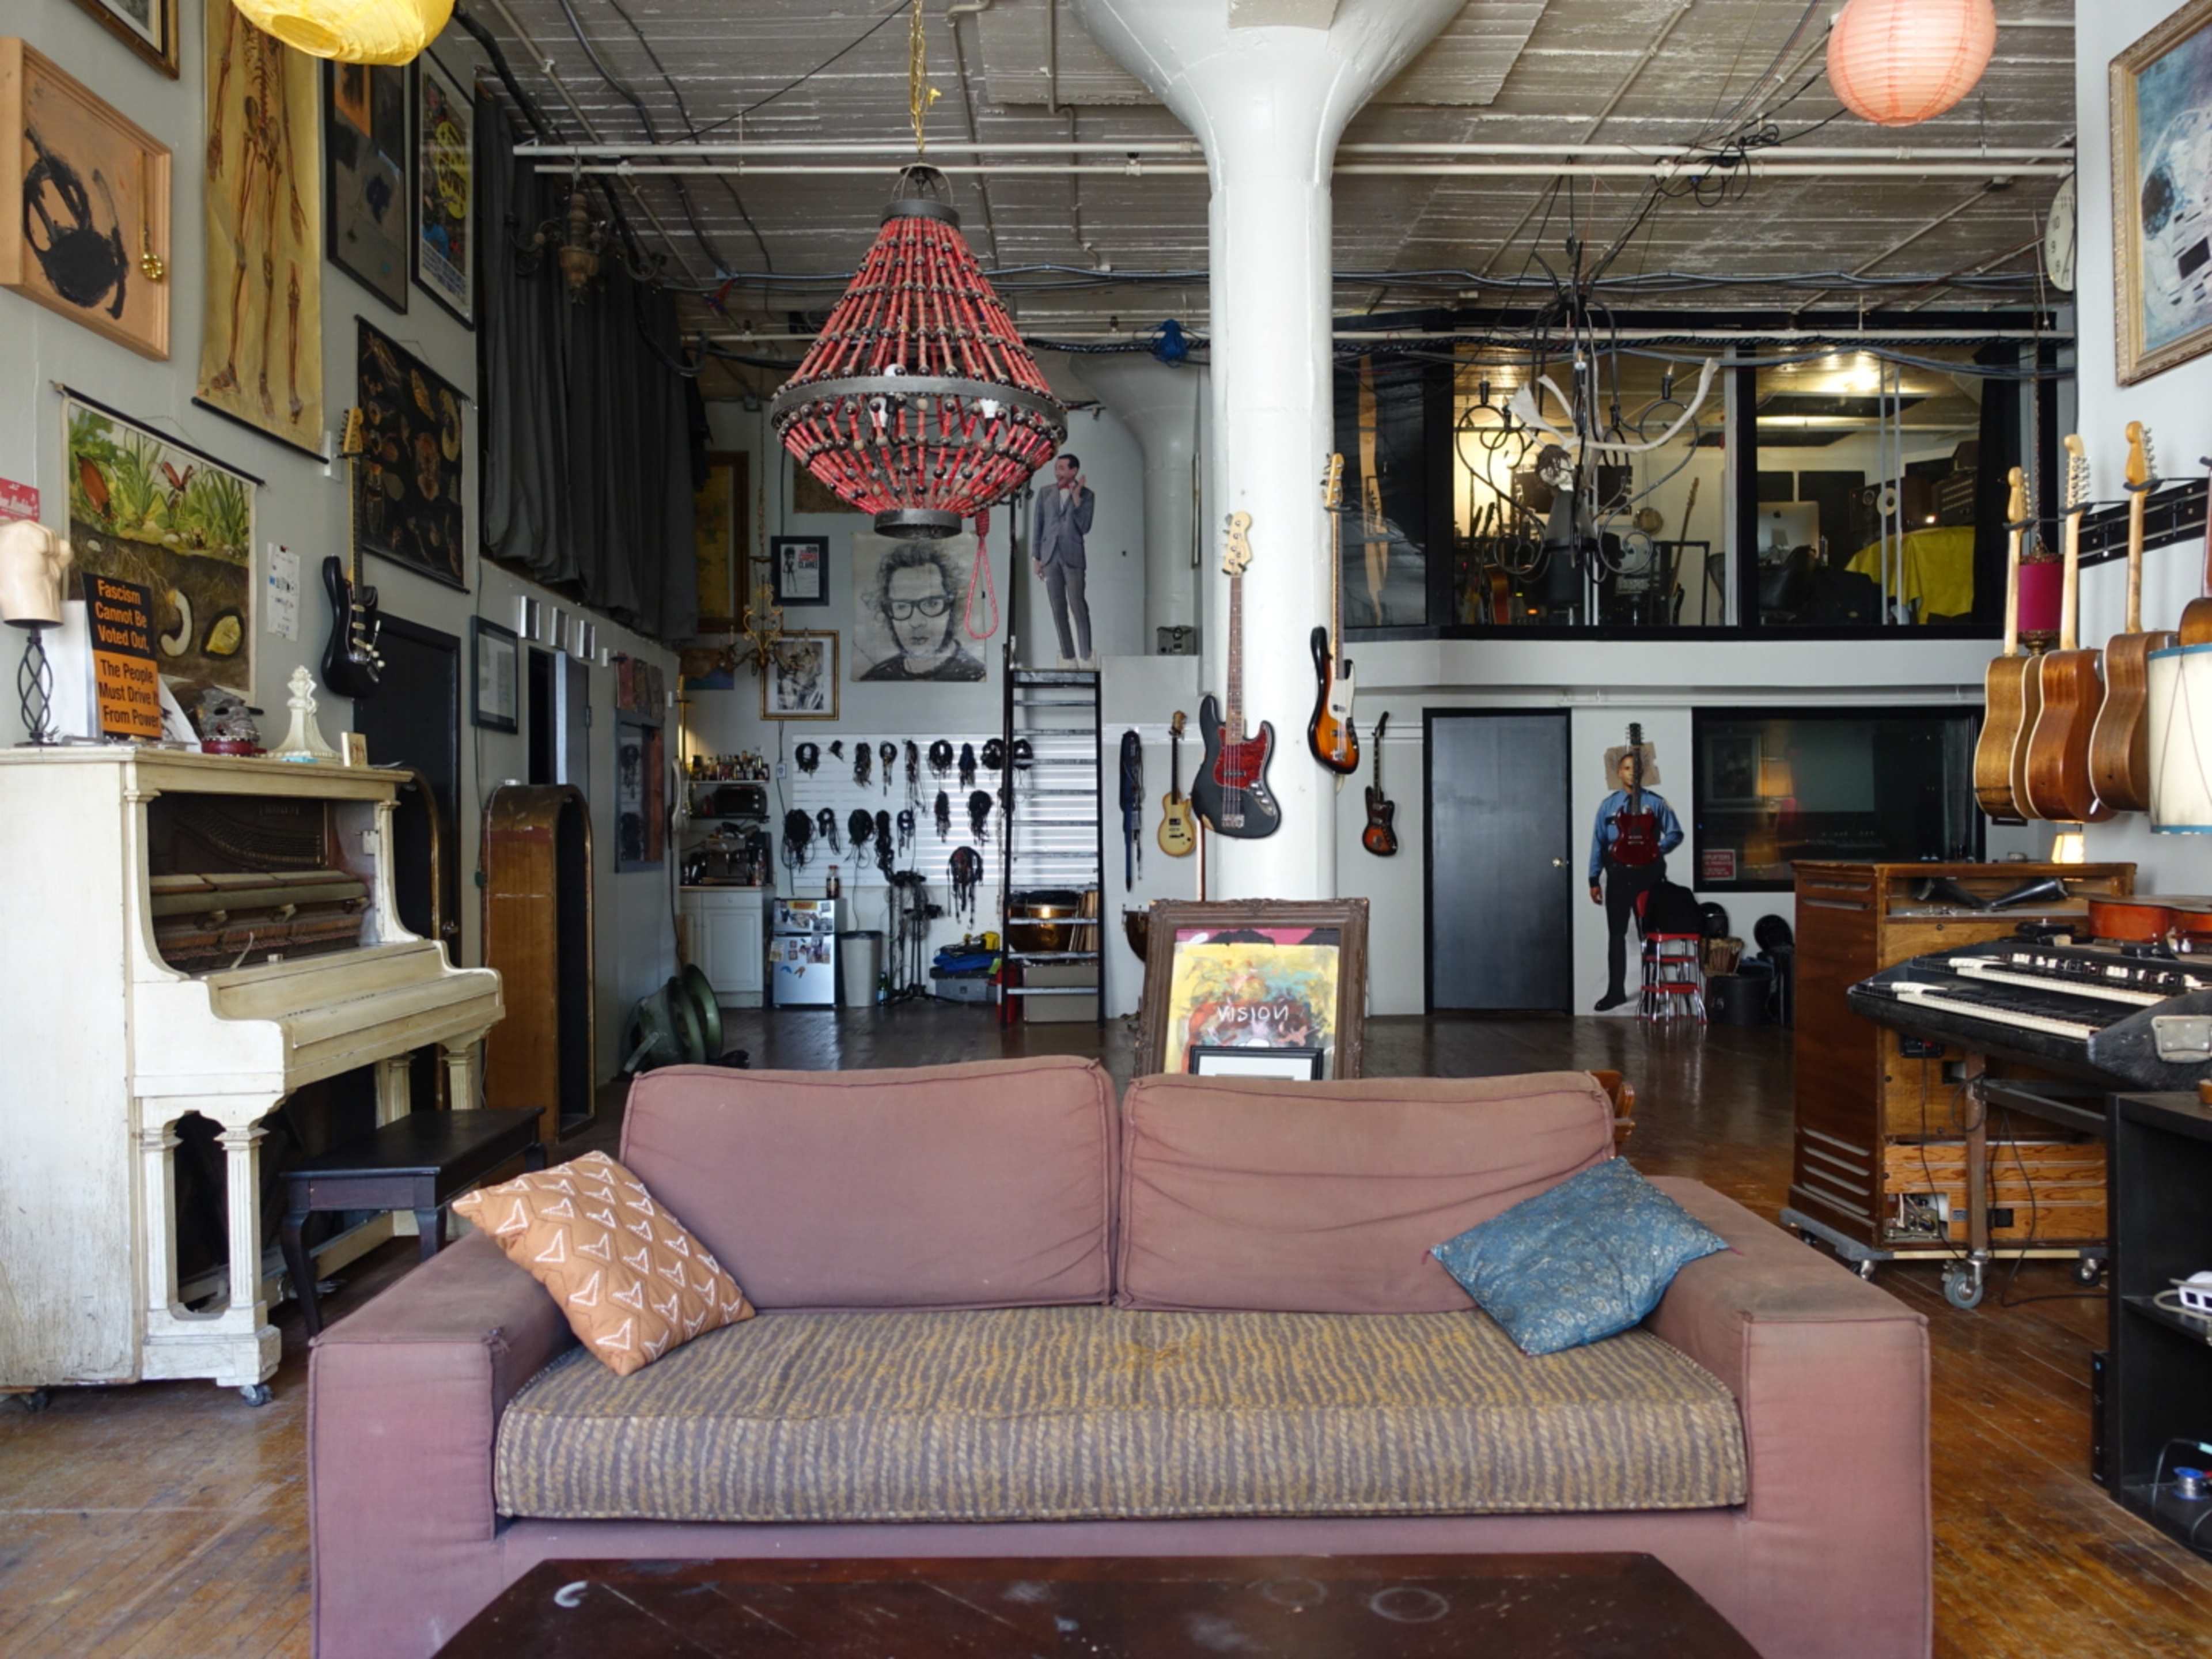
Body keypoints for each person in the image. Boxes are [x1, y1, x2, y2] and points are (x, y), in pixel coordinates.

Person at [1587, 748, 1684, 1012]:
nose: (1632, 773)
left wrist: (1655, 849)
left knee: (1649, 933)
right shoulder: (1608, 806)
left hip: (1648, 875)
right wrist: (1593, 878)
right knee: (1616, 934)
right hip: (1618, 875)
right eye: (1627, 768)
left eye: (1636, 768)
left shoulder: (1657, 803)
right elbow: (1598, 842)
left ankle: (1651, 994)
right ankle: (1615, 993)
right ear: (1620, 773)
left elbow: (1675, 833)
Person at [858, 543, 984, 682]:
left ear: (952, 606)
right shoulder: (875, 679)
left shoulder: (977, 677)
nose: (916, 622)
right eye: (902, 606)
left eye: (931, 604)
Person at [1032, 453, 1095, 666]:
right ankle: (1069, 657)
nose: (1057, 472)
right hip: (1049, 556)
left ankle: (1086, 656)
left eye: (1061, 468)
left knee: (1078, 605)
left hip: (1073, 556)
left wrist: (1076, 500)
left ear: (1073, 471)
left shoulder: (1087, 495)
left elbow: (1085, 527)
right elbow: (1038, 526)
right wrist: (1037, 557)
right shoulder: (1045, 493)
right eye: (1056, 468)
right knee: (1057, 608)